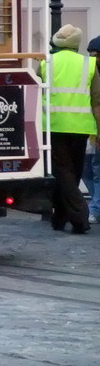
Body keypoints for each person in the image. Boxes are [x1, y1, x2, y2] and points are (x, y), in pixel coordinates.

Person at [40, 24, 100, 234]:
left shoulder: (46, 63)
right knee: (72, 173)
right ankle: (60, 217)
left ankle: (79, 217)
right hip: (81, 127)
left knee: (63, 173)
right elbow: (96, 102)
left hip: (54, 125)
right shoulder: (89, 64)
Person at [85, 35, 100, 224]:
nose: (93, 59)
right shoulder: (90, 71)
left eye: (95, 55)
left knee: (96, 170)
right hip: (88, 129)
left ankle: (95, 208)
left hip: (95, 130)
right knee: (86, 169)